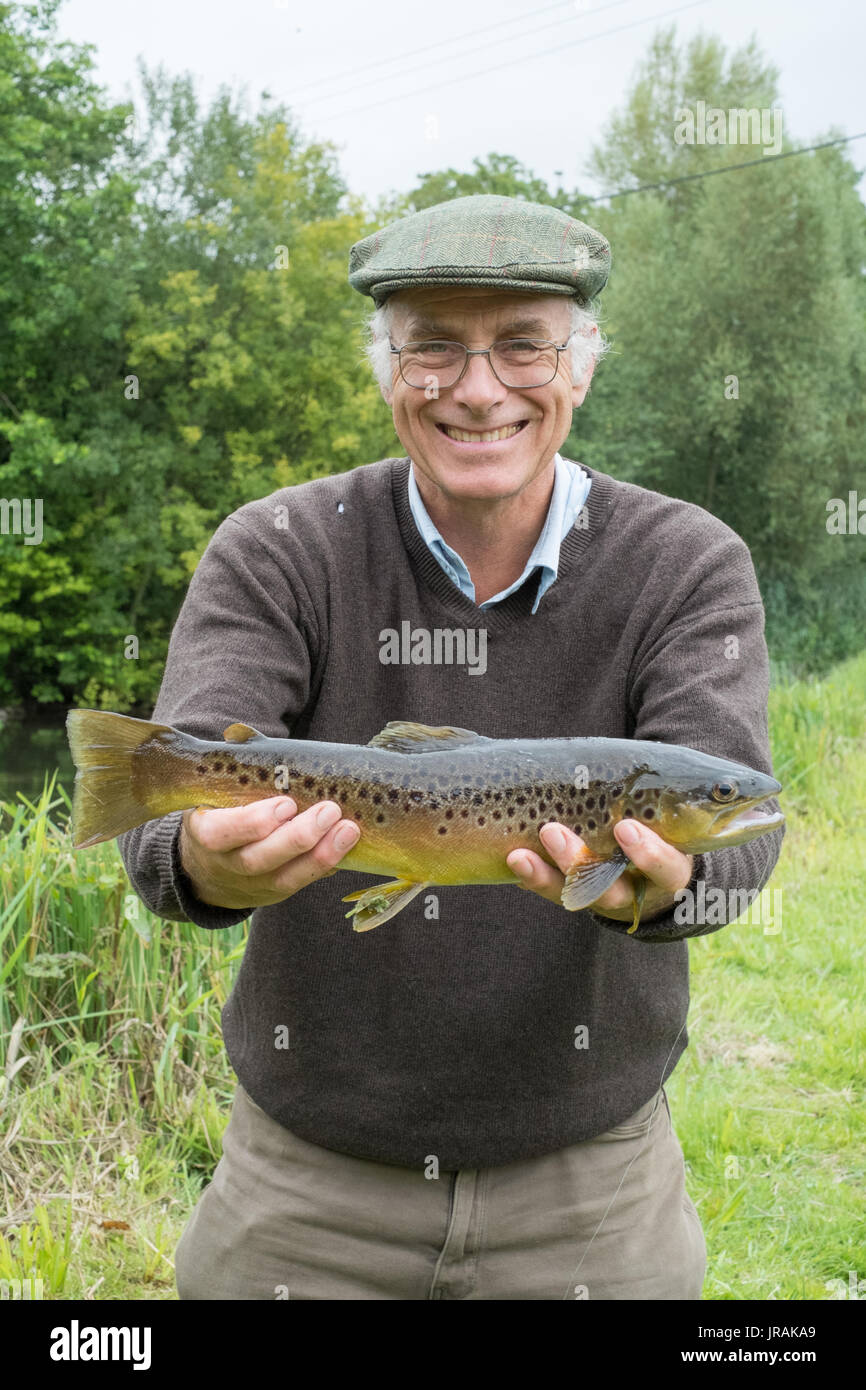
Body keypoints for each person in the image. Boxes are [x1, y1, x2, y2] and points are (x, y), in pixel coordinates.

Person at [119, 193, 784, 1300]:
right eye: (434, 345)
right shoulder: (279, 547)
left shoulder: (685, 561)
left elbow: (733, 859)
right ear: (388, 368)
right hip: (306, 1182)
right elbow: (156, 833)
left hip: (589, 1183)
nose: (478, 388)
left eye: (523, 344)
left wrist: (664, 888)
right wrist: (199, 856)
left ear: (578, 367)